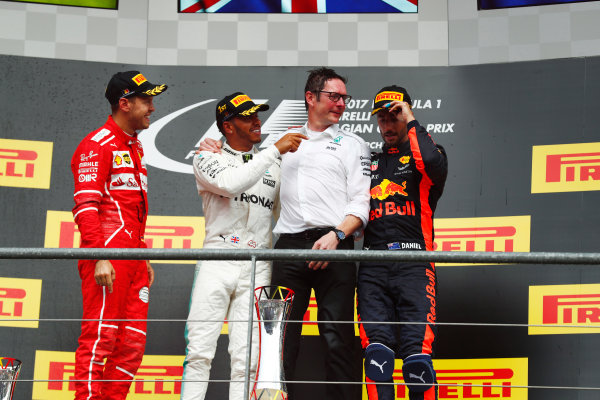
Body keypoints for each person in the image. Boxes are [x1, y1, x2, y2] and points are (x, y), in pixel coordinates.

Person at [181, 92, 306, 400]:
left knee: (247, 359)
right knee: (199, 352)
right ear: (227, 126)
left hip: (258, 265)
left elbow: (286, 214)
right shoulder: (206, 157)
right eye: (247, 116)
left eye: (257, 114)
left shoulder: (274, 165)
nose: (256, 120)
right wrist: (274, 151)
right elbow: (231, 183)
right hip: (217, 259)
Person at [270, 67, 371, 400]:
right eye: (334, 96)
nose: (341, 104)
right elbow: (251, 171)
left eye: (345, 97)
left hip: (336, 246)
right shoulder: (283, 141)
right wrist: (217, 146)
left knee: (337, 337)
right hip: (287, 250)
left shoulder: (353, 144)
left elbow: (361, 201)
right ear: (310, 97)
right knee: (280, 338)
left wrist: (337, 237)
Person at [70, 71, 167, 400]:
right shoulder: (95, 145)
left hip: (134, 260)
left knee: (131, 347)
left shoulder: (135, 147)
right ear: (124, 103)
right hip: (107, 258)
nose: (152, 107)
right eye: (146, 100)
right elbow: (86, 206)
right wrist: (99, 256)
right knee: (100, 339)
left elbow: (130, 209)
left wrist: (143, 255)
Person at [357, 86, 448, 400]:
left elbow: (434, 165)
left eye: (393, 116)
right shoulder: (369, 163)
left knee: (416, 357)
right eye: (381, 118)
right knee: (377, 354)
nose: (386, 125)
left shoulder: (426, 155)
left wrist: (410, 119)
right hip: (372, 267)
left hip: (415, 266)